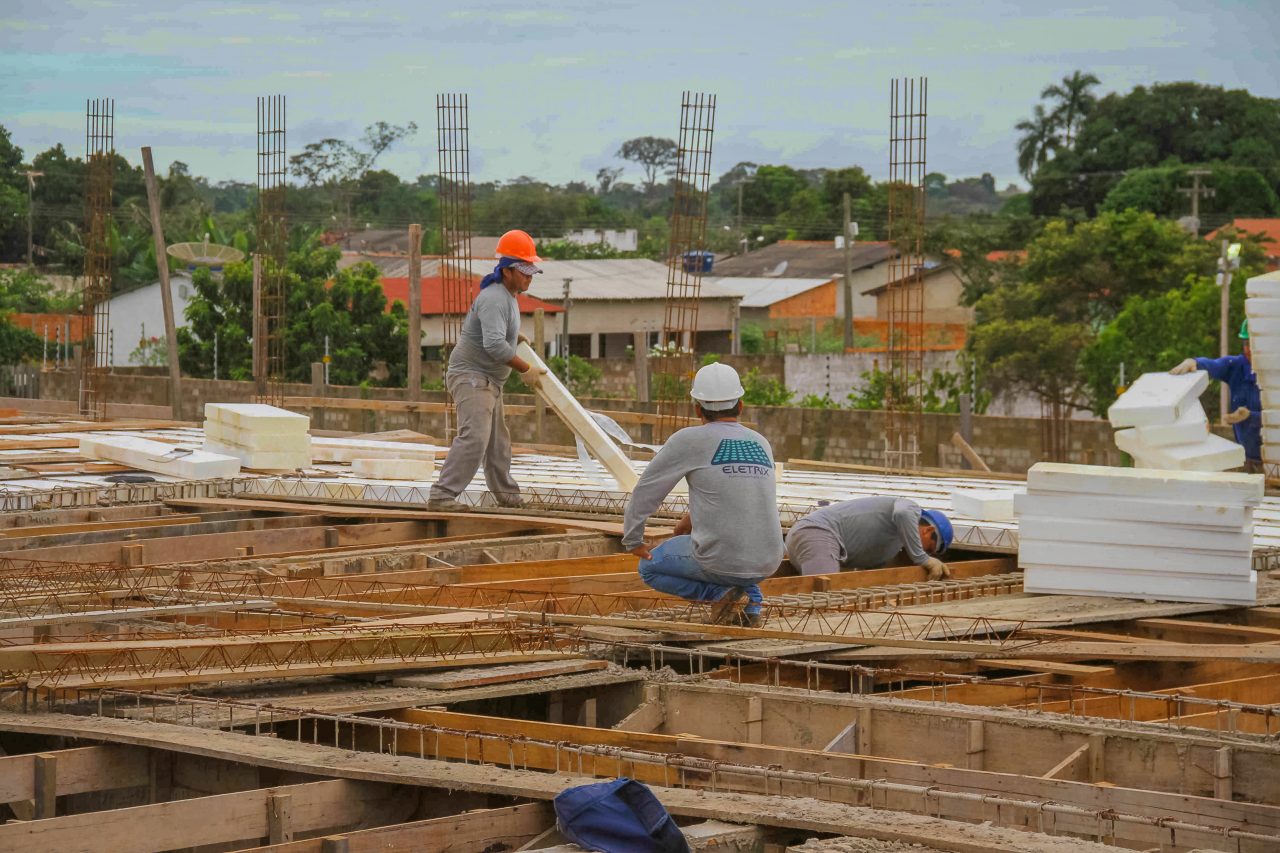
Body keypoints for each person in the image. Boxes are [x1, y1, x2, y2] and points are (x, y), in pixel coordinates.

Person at [621, 362, 784, 627]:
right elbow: (736, 497)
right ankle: (751, 602)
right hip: (768, 559)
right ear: (740, 406)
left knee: (649, 568)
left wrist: (633, 539)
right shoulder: (760, 442)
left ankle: (721, 595)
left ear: (697, 408)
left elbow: (648, 491)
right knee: (734, 556)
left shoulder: (689, 440)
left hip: (722, 560)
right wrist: (689, 521)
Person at [427, 230, 548, 511]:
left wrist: (515, 337)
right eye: (524, 271)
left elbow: (493, 332)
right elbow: (493, 345)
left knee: (496, 442)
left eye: (532, 272)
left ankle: (507, 495)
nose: (529, 277)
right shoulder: (495, 297)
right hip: (472, 376)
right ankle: (442, 495)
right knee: (475, 436)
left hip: (489, 379)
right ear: (507, 271)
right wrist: (525, 368)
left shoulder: (509, 296)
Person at [785, 496, 954, 579]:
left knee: (823, 599)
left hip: (811, 542)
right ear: (927, 530)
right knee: (822, 600)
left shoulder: (892, 547)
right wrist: (922, 558)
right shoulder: (911, 508)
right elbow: (903, 514)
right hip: (816, 533)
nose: (926, 551)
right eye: (929, 547)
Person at [1170, 319, 1261, 473]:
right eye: (1245, 343)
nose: (1248, 350)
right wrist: (1195, 362)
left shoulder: (1274, 374)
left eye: (1253, 344)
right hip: (1248, 461)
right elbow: (1214, 365)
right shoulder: (1237, 366)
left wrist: (1251, 416)